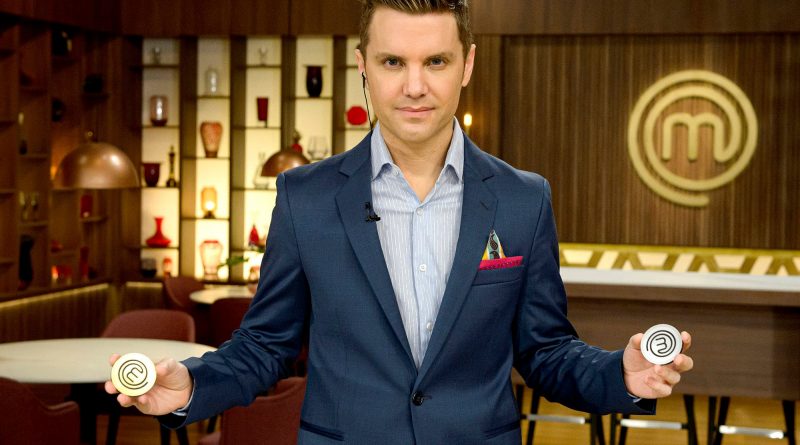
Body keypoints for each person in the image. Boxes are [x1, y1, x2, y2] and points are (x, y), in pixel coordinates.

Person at [107, 1, 694, 443]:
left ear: (466, 65)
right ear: (363, 65)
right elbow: (266, 345)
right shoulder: (304, 197)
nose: (415, 86)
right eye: (393, 62)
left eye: (436, 61)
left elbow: (545, 351)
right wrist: (192, 386)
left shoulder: (524, 199)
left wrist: (619, 374)